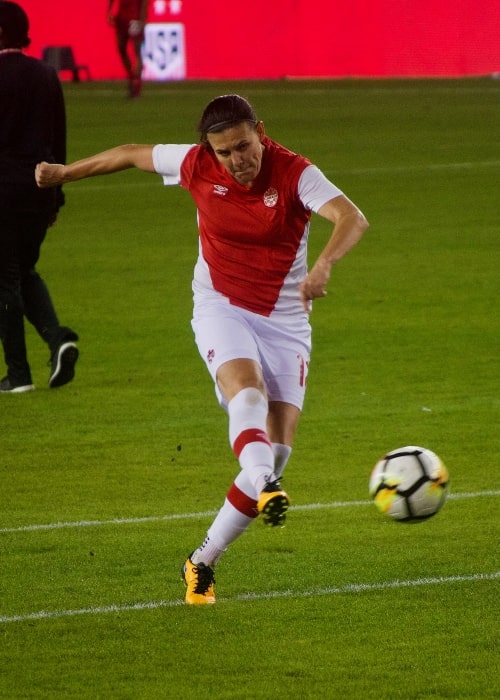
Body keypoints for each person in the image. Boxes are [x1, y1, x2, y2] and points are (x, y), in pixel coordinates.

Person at [36, 94, 369, 603]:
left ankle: (202, 561)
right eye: (226, 152)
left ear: (261, 130)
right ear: (208, 151)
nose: (239, 160)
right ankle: (266, 485)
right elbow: (129, 153)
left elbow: (351, 217)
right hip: (222, 306)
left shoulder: (295, 173)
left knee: (276, 450)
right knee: (247, 393)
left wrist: (323, 266)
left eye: (245, 145)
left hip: (285, 319)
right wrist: (65, 174)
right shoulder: (194, 164)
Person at [0, 1, 79, 394]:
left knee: (5, 281)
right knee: (22, 271)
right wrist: (56, 197)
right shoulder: (46, 75)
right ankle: (58, 338)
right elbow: (57, 140)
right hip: (37, 192)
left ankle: (18, 376)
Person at [107, 0, 148, 98]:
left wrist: (143, 18)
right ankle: (132, 77)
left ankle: (136, 82)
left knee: (137, 51)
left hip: (135, 18)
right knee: (121, 48)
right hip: (122, 17)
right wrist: (109, 11)